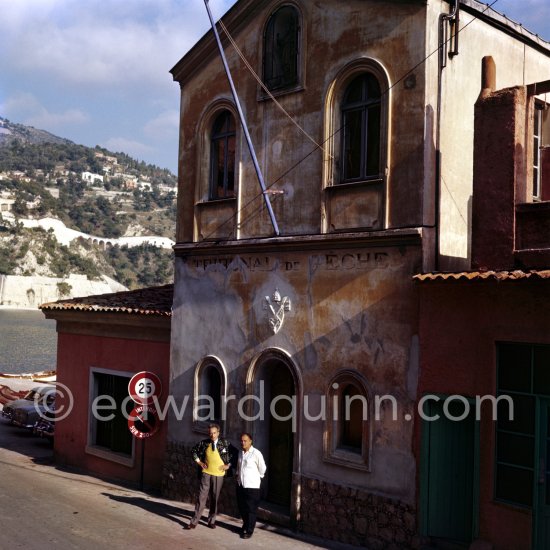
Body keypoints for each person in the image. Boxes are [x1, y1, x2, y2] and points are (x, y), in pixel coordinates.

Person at [185, 423, 232, 529]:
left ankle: (211, 520)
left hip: (219, 475)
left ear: (218, 433)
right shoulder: (204, 443)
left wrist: (228, 465)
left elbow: (234, 453)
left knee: (214, 498)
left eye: (214, 433)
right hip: (206, 473)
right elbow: (193, 451)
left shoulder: (224, 443)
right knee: (201, 497)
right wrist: (200, 463)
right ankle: (194, 521)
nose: (212, 435)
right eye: (210, 433)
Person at [236, 432, 267, 539]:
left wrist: (256, 478)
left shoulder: (256, 453)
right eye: (241, 440)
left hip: (252, 486)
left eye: (245, 441)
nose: (243, 443)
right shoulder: (240, 453)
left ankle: (249, 530)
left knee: (251, 509)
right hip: (241, 485)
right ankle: (245, 524)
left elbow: (262, 468)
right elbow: (239, 467)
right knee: (242, 507)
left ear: (250, 441)